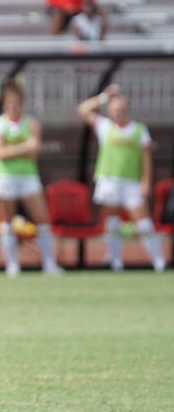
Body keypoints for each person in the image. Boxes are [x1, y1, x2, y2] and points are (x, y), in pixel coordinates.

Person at [78, 84, 165, 272]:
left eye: (122, 110)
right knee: (112, 222)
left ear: (128, 109)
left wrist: (146, 181)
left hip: (131, 182)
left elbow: (146, 159)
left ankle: (158, 261)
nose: (119, 113)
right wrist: (104, 97)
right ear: (110, 110)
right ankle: (115, 261)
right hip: (109, 181)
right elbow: (83, 110)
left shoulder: (139, 130)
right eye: (115, 110)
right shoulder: (105, 126)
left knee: (143, 223)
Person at [0, 81, 63, 276]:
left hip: (28, 177)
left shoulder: (32, 123)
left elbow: (33, 151)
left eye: (16, 103)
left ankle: (49, 264)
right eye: (9, 103)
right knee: (6, 221)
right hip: (4, 177)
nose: (12, 106)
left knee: (42, 219)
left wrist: (12, 149)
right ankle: (12, 265)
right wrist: (23, 146)